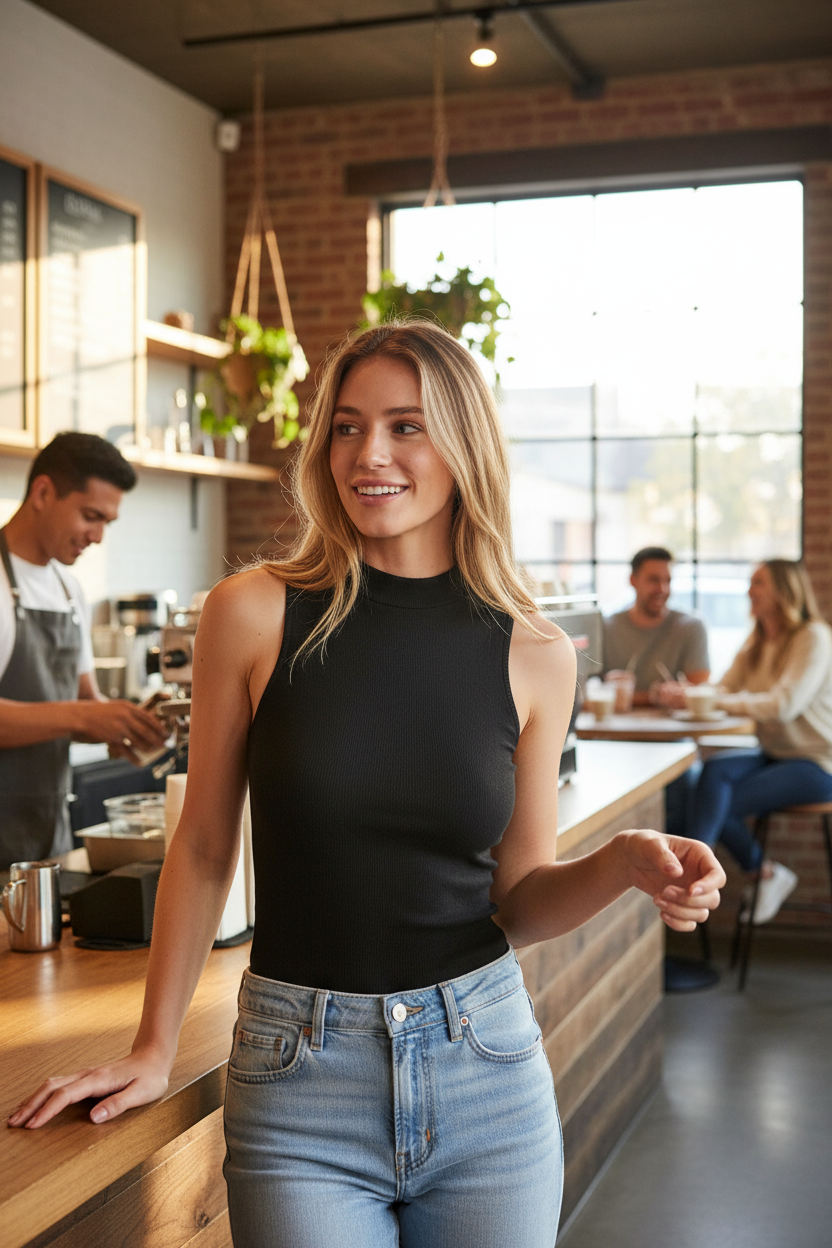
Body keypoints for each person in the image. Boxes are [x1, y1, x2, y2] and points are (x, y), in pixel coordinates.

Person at [9, 323, 725, 1248]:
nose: (369, 455)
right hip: (297, 1078)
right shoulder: (253, 612)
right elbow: (204, 846)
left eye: (405, 427)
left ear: (465, 444)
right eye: (347, 428)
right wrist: (153, 1047)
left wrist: (623, 862)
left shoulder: (537, 653)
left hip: (487, 1070)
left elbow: (521, 899)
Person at [0, 432, 168, 869]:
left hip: (46, 837)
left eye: (106, 523)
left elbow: (85, 703)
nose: (96, 536)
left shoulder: (70, 592)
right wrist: (85, 715)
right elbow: (77, 712)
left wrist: (132, 723)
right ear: (43, 492)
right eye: (90, 516)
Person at [682, 559, 832, 925]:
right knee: (711, 774)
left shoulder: (812, 637)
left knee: (718, 801)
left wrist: (713, 700)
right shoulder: (757, 641)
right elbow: (723, 689)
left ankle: (688, 879)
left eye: (758, 583)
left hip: (818, 763)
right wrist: (687, 694)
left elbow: (783, 705)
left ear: (784, 589)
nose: (750, 591)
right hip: (776, 754)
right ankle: (761, 872)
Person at [603, 546, 710, 705]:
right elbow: (584, 695)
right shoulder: (606, 628)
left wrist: (628, 697)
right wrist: (655, 696)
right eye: (653, 580)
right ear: (633, 580)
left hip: (673, 728)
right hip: (612, 728)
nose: (662, 589)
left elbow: (700, 692)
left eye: (667, 580)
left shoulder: (690, 626)